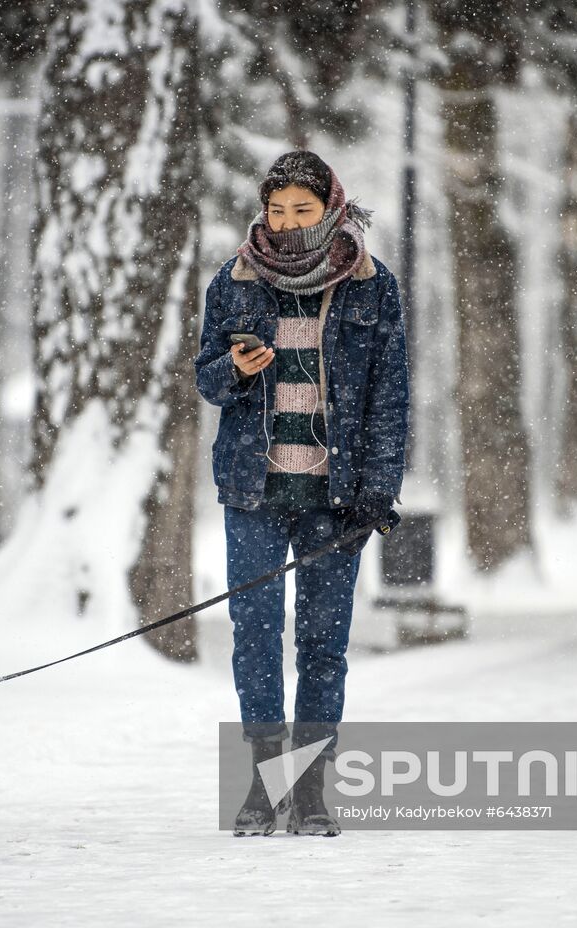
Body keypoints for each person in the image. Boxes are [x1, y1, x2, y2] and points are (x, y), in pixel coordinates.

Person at [193, 150, 409, 837]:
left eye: (301, 210)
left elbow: (388, 397)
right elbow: (207, 381)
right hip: (253, 490)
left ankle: (310, 790)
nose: (285, 223)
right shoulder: (234, 282)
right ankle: (263, 787)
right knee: (254, 638)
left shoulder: (374, 288)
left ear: (332, 209)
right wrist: (233, 367)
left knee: (322, 643)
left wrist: (377, 488)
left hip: (335, 497)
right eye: (276, 209)